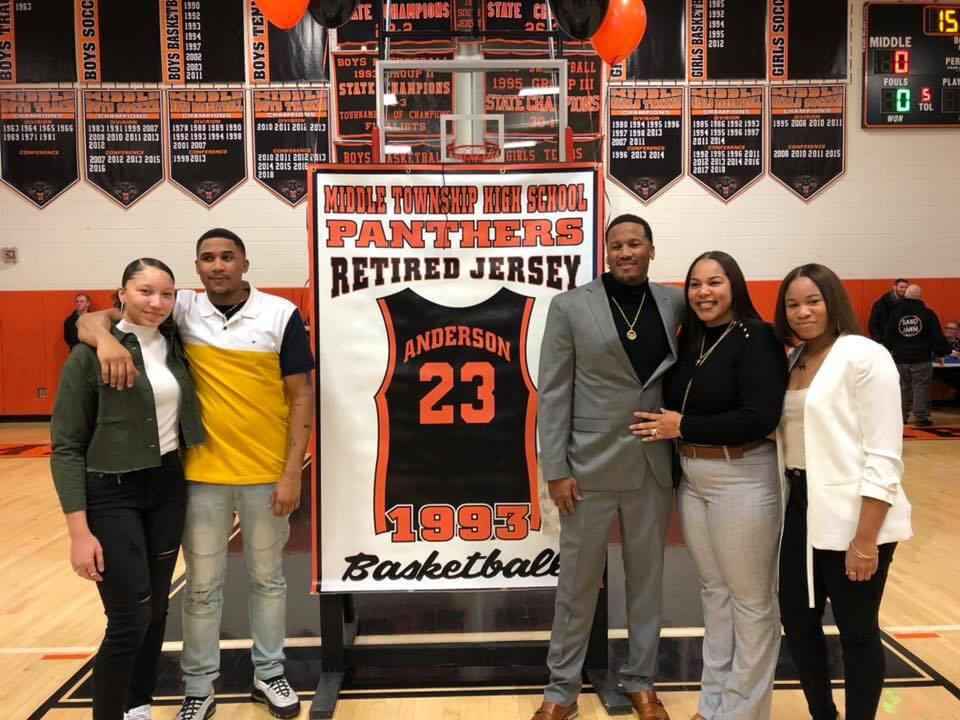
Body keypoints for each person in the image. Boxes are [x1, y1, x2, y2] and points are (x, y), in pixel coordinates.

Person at [78, 229, 315, 720]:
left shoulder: (280, 314)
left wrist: (293, 469)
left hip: (268, 474)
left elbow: (301, 395)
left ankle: (269, 673)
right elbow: (94, 317)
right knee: (203, 587)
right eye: (207, 258)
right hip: (200, 476)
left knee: (268, 581)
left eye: (228, 257)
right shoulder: (180, 309)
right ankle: (199, 685)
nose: (218, 266)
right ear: (198, 267)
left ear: (245, 264)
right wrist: (104, 339)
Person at [533, 214, 683, 720]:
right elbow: (553, 392)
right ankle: (561, 692)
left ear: (651, 250)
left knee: (647, 583)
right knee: (575, 588)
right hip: (587, 470)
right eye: (616, 245)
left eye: (635, 243)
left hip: (652, 469)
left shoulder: (674, 302)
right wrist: (555, 467)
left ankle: (641, 682)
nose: (625, 252)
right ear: (606, 251)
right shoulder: (570, 306)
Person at [631, 251, 787, 720]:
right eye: (695, 284)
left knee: (751, 601)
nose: (703, 292)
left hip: (742, 477)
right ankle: (712, 703)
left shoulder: (757, 338)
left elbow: (758, 418)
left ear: (734, 285)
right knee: (714, 595)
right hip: (694, 477)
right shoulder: (693, 337)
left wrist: (685, 427)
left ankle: (744, 710)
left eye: (714, 282)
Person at [51, 259, 205, 720]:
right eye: (144, 292)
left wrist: (99, 328)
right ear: (121, 293)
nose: (156, 303)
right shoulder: (88, 355)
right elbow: (66, 447)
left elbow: (93, 318)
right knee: (128, 618)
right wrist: (79, 533)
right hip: (110, 491)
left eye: (166, 293)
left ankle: (138, 706)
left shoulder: (174, 341)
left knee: (157, 610)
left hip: (166, 485)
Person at [774, 263, 912, 720]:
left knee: (856, 630)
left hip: (855, 514)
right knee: (797, 624)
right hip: (799, 507)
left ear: (833, 301)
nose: (802, 311)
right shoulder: (795, 359)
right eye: (793, 304)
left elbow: (885, 454)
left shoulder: (864, 355)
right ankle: (823, 714)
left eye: (812, 300)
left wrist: (865, 540)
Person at [884, 284, 950, 427]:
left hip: (900, 359)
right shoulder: (927, 314)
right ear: (920, 297)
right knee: (921, 387)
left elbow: (888, 336)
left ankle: (900, 417)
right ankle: (921, 418)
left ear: (905, 296)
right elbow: (936, 336)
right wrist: (941, 352)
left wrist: (886, 352)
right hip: (921, 358)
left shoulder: (895, 314)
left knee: (902, 387)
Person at [867, 278, 908, 345]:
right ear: (894, 287)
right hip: (883, 342)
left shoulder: (907, 304)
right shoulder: (880, 304)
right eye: (901, 287)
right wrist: (879, 341)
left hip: (900, 343)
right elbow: (873, 324)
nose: (904, 289)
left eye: (906, 287)